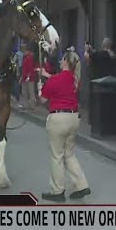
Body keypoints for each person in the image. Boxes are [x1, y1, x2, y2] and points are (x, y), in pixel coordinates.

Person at [36, 48, 91, 202]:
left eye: (62, 59)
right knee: (69, 154)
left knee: (57, 156)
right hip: (73, 118)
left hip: (58, 118)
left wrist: (40, 87)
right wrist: (47, 76)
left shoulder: (55, 80)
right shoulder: (74, 79)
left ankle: (57, 191)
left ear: (66, 61)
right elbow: (60, 80)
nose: (60, 61)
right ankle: (81, 185)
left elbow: (42, 100)